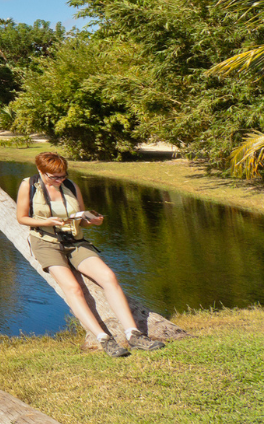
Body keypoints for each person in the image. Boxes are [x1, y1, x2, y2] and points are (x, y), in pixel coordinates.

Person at [15, 152, 164, 358]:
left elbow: (82, 218)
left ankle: (134, 335)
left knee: (109, 277)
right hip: (46, 243)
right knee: (73, 288)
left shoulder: (71, 186)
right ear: (41, 171)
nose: (59, 180)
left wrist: (93, 221)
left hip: (76, 241)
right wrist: (46, 222)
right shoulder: (29, 185)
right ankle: (104, 339)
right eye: (54, 177)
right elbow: (22, 218)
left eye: (63, 175)